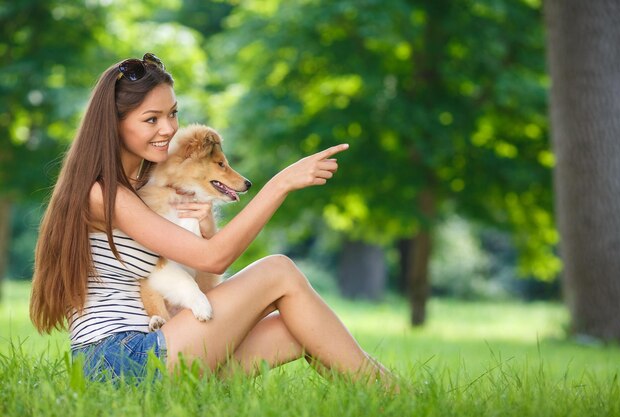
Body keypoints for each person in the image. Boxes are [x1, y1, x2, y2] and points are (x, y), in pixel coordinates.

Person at [29, 53, 392, 385]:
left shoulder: (144, 188)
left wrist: (206, 226)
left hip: (158, 345)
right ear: (115, 124)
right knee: (278, 270)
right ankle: (395, 395)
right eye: (151, 119)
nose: (168, 129)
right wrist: (280, 183)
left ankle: (390, 398)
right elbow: (215, 257)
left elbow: (207, 287)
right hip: (117, 361)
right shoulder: (103, 193)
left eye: (172, 113)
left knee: (296, 327)